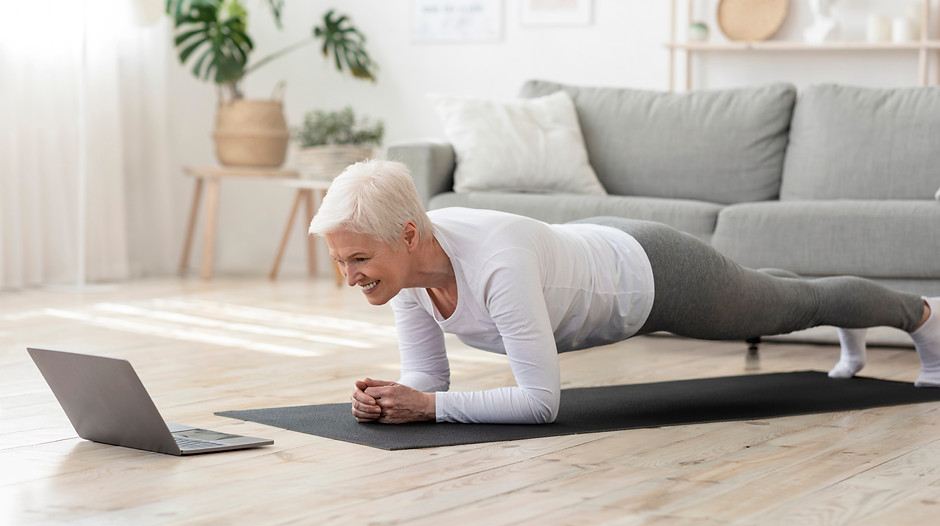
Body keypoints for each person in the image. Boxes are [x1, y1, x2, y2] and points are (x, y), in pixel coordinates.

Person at [308, 160, 940, 425]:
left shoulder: (496, 262)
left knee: (792, 308)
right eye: (340, 262)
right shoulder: (409, 271)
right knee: (784, 296)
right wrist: (395, 400)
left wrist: (428, 408)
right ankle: (830, 301)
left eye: (359, 259)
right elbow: (429, 379)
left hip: (654, 273)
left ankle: (923, 317)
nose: (351, 277)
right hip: (597, 246)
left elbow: (540, 403)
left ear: (408, 234)